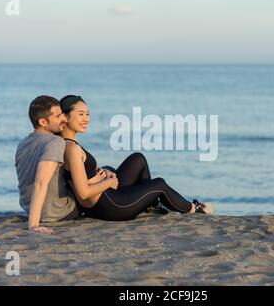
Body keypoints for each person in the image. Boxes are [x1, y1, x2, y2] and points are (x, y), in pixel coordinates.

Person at [59, 95, 214, 222]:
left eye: (87, 114)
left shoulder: (67, 143)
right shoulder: (72, 148)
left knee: (137, 159)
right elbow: (83, 193)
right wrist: (108, 182)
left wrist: (103, 171)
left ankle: (151, 204)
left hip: (104, 200)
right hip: (109, 208)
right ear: (65, 117)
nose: (86, 119)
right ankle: (194, 209)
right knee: (159, 184)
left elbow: (82, 173)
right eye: (81, 114)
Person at [15, 96, 79, 234]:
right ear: (43, 122)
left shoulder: (22, 144)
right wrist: (33, 225)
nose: (64, 118)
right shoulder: (55, 142)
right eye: (58, 116)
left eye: (62, 113)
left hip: (29, 208)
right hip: (58, 212)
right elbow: (40, 182)